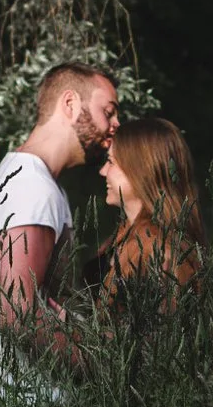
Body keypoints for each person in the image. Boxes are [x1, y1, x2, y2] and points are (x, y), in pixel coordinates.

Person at [0, 61, 120, 405]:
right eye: (107, 111)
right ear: (70, 104)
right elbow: (15, 313)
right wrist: (100, 368)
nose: (116, 124)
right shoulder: (31, 187)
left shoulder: (32, 181)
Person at [85, 117, 205, 339]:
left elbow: (162, 343)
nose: (102, 171)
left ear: (138, 169)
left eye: (111, 162)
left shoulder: (160, 250)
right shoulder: (124, 236)